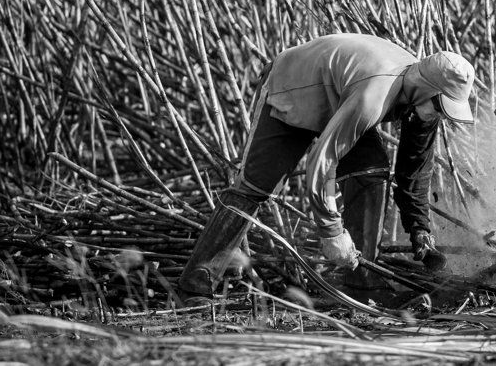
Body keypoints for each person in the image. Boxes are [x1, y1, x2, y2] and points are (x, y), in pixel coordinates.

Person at [177, 33, 476, 297]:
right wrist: (331, 232)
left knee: (370, 172)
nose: (440, 115)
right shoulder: (374, 97)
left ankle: (360, 283)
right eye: (440, 107)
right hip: (293, 89)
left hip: (341, 97)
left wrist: (420, 231)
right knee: (255, 185)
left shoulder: (424, 104)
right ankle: (197, 281)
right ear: (426, 87)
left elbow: (414, 171)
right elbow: (322, 161)